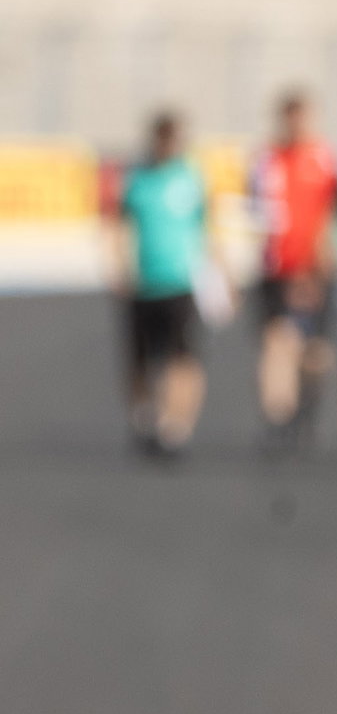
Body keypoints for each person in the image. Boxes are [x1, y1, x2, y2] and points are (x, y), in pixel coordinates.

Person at [111, 110, 216, 457]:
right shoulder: (136, 179)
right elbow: (118, 225)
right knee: (140, 359)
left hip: (181, 281)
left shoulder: (193, 178)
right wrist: (120, 266)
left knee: (182, 357)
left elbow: (208, 229)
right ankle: (144, 414)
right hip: (144, 282)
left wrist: (222, 274)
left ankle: (175, 426)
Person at [250, 89, 337, 455]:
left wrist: (321, 263)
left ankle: (307, 409)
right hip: (277, 268)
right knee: (277, 341)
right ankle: (279, 416)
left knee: (314, 351)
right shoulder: (266, 159)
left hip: (316, 267)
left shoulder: (326, 160)